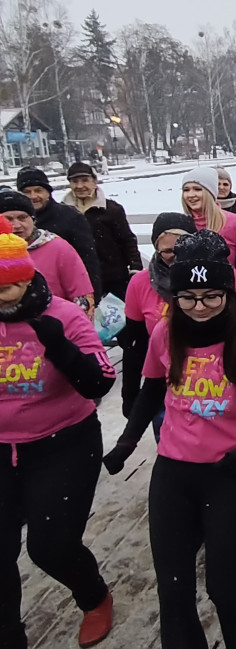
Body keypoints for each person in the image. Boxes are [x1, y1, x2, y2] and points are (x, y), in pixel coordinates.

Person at [103, 230, 236, 648]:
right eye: (188, 298)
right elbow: (149, 390)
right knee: (174, 590)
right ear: (174, 296)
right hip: (174, 472)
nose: (199, 308)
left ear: (227, 292)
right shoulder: (166, 333)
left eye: (211, 297)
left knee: (224, 586)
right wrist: (126, 445)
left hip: (227, 471)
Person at [0, 217, 118, 649]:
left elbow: (101, 381)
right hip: (2, 448)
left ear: (26, 280)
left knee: (49, 547)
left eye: (6, 290)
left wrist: (59, 347)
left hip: (63, 443)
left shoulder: (61, 316)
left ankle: (94, 596)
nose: (0, 300)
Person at [121, 214, 236, 432]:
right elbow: (134, 344)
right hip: (167, 380)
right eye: (167, 251)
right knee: (170, 440)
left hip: (220, 381)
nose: (174, 257)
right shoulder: (140, 284)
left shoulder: (224, 275)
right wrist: (131, 394)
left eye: (179, 250)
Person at [0, 190, 95, 315]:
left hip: (55, 324)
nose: (16, 225)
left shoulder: (57, 247)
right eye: (9, 219)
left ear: (33, 219)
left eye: (22, 218)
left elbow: (81, 294)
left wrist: (76, 325)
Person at [16, 166, 103, 297]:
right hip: (22, 295)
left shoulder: (70, 216)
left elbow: (88, 259)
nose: (33, 196)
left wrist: (92, 297)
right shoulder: (13, 221)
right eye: (27, 192)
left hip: (64, 294)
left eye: (38, 190)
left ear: (48, 192)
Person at [63, 161, 142, 301]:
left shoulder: (111, 210)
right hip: (79, 280)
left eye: (85, 180)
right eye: (75, 181)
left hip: (114, 278)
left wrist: (135, 268)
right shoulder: (63, 212)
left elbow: (127, 239)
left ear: (94, 182)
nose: (80, 186)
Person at [180, 167, 236, 283]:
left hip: (229, 292)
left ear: (210, 193)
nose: (191, 195)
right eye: (186, 190)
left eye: (197, 189)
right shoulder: (180, 224)